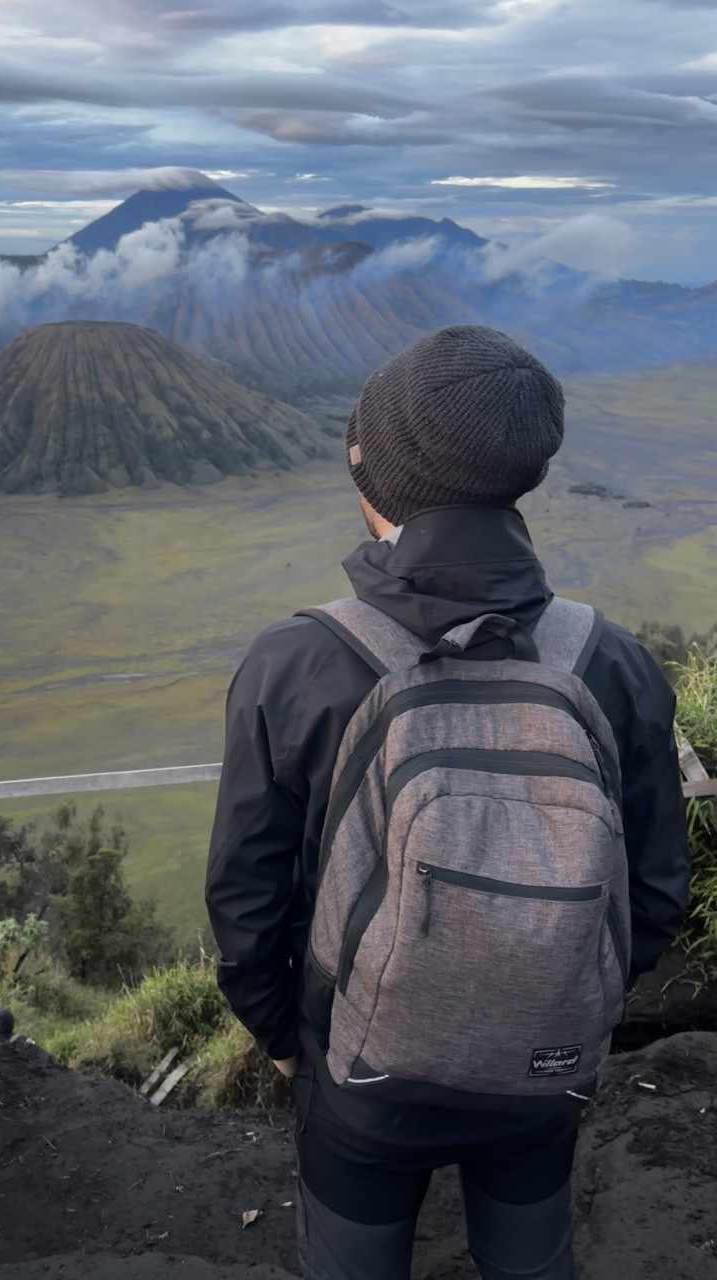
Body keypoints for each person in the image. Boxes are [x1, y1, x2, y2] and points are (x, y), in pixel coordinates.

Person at [205, 325, 690, 1280]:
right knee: (532, 1259)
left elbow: (245, 901)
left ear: (373, 478)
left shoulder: (294, 664)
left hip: (362, 1076)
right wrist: (551, 993)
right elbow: (656, 890)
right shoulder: (615, 664)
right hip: (548, 1068)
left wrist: (283, 1037)